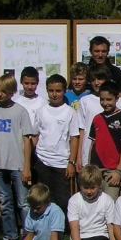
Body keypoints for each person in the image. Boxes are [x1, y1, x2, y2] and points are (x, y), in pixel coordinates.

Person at [0, 75, 35, 240]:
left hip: (17, 164)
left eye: (3, 92)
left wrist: (26, 166)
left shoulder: (20, 111)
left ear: (12, 92)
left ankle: (28, 235)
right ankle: (10, 235)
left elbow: (26, 140)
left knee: (23, 203)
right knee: (5, 202)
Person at [32, 74, 79, 218]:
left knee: (62, 199)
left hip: (61, 163)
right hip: (43, 162)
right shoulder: (41, 111)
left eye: (58, 91)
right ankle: (46, 225)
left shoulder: (70, 112)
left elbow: (74, 138)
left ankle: (62, 228)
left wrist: (71, 162)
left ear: (64, 91)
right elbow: (35, 135)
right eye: (51, 90)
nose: (54, 94)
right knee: (44, 198)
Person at [67, 165, 117, 240]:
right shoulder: (74, 200)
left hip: (99, 234)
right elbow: (74, 228)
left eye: (93, 188)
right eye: (85, 187)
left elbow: (111, 227)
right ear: (80, 185)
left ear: (99, 185)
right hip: (81, 235)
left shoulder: (106, 200)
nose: (89, 192)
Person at [87, 81, 121, 200]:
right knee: (95, 202)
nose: (105, 103)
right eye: (102, 99)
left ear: (117, 99)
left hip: (112, 171)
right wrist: (90, 167)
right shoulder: (97, 118)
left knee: (110, 203)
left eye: (109, 99)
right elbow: (92, 144)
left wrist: (119, 171)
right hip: (96, 169)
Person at [77, 64, 121, 168]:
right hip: (89, 152)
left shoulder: (117, 101)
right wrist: (79, 156)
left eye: (100, 79)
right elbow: (82, 130)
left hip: (111, 155)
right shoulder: (85, 101)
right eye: (93, 80)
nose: (96, 83)